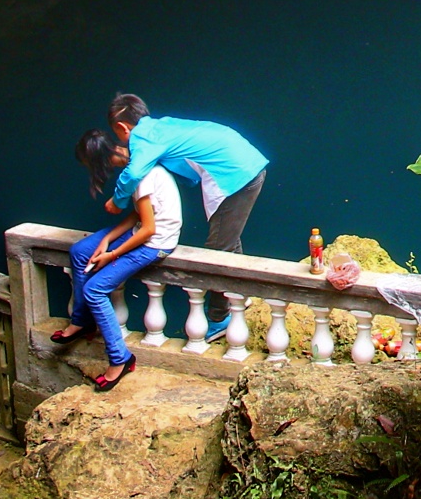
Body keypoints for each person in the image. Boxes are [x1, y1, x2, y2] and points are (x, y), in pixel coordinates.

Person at [104, 93, 269, 339]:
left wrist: (117, 201)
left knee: (216, 251)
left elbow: (134, 171)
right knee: (228, 239)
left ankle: (219, 317)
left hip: (236, 174)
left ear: (121, 127)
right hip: (245, 165)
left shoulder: (142, 137)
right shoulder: (160, 126)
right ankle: (238, 297)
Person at [53, 129, 180, 391]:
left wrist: (111, 254)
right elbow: (138, 216)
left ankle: (121, 359)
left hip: (154, 244)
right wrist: (107, 238)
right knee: (80, 251)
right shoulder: (136, 163)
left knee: (95, 289)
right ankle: (82, 320)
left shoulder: (140, 175)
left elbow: (148, 229)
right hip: (141, 231)